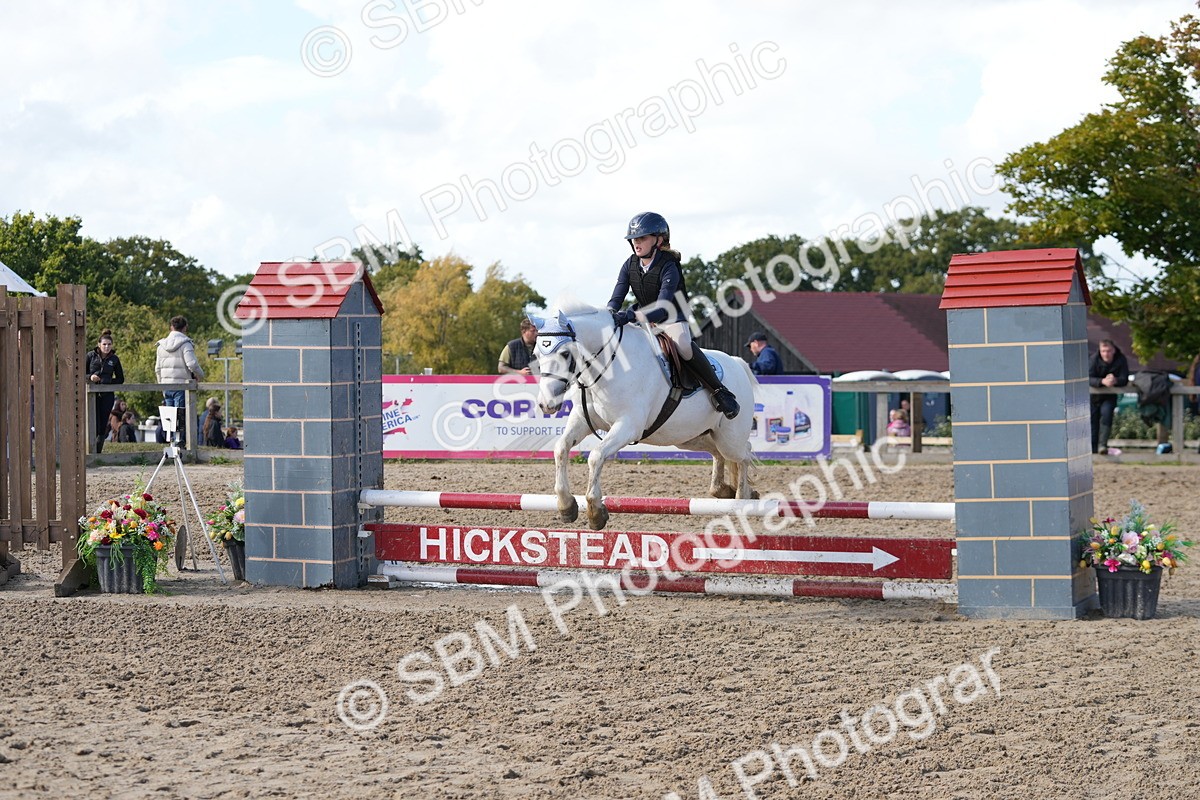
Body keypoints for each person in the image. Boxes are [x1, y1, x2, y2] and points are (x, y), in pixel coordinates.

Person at [606, 211, 739, 419]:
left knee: (683, 344)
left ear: (658, 240)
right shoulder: (629, 264)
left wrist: (630, 316)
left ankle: (719, 390)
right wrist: (610, 314)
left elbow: (662, 307)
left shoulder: (669, 266)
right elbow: (616, 298)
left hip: (671, 317)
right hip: (643, 319)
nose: (636, 243)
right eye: (633, 239)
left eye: (642, 238)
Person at [155, 316, 205, 443]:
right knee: (181, 416)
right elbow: (192, 364)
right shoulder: (185, 344)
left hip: (166, 385)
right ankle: (181, 442)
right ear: (185, 328)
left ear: (171, 327)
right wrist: (200, 375)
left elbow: (158, 369)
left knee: (169, 418)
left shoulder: (161, 346)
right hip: (181, 385)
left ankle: (171, 442)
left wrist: (161, 386)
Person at [85, 329, 124, 453]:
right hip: (91, 394)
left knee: (103, 426)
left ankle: (98, 453)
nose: (106, 347)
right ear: (99, 344)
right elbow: (80, 373)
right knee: (93, 423)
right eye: (104, 344)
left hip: (107, 395)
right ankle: (89, 451)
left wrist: (107, 381)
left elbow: (120, 379)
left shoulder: (114, 359)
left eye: (109, 344)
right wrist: (90, 377)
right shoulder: (90, 356)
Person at [1089, 338, 1129, 455]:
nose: (1106, 354)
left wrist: (1114, 380)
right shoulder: (1093, 359)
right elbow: (1088, 378)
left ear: (1113, 350)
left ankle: (1102, 445)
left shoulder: (1120, 359)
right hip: (1093, 397)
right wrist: (1102, 381)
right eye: (1103, 351)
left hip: (1109, 396)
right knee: (1092, 421)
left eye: (1108, 351)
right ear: (1100, 351)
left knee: (1106, 417)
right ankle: (1092, 449)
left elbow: (1124, 379)